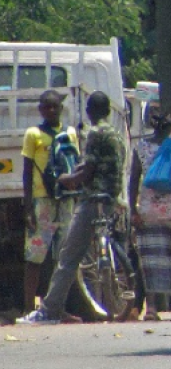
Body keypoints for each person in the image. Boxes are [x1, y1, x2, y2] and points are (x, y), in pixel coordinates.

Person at [18, 92, 125, 325]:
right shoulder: (116, 133)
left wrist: (68, 179)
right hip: (109, 197)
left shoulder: (93, 133)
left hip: (91, 199)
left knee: (68, 257)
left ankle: (49, 310)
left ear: (89, 111)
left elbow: (87, 169)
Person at [20, 91, 81, 316]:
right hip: (41, 200)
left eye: (55, 107)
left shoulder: (71, 133)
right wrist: (27, 208)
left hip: (64, 200)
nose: (51, 111)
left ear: (61, 109)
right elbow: (27, 172)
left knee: (63, 258)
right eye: (47, 107)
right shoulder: (33, 134)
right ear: (40, 110)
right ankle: (29, 307)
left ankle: (57, 308)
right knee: (34, 256)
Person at [127, 108, 171, 321]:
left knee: (150, 262)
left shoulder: (141, 147)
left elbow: (133, 182)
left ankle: (151, 308)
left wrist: (133, 210)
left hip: (148, 212)